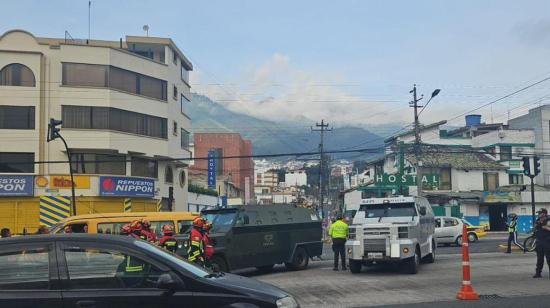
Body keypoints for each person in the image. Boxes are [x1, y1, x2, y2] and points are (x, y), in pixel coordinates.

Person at [533, 209, 550, 278]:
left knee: (549, 258)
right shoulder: (537, 220)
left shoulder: (548, 220)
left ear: (544, 214)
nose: (538, 214)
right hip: (539, 242)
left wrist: (545, 227)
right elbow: (535, 229)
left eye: (540, 213)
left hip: (547, 242)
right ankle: (538, 273)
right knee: (539, 258)